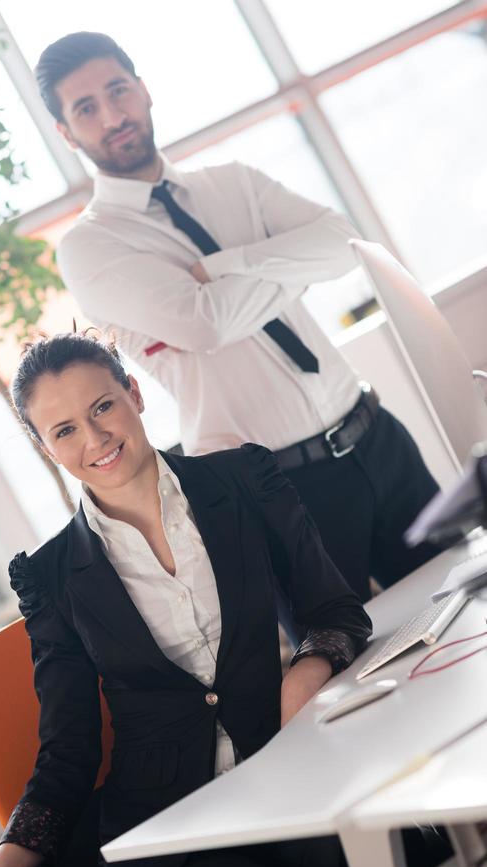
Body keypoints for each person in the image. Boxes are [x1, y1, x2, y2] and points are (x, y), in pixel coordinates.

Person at [0, 334, 463, 867]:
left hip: (289, 787)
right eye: (63, 430)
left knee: (404, 859)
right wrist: (4, 862)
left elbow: (335, 610)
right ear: (45, 448)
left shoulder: (244, 480)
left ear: (135, 394)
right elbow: (70, 745)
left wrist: (307, 670)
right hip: (167, 851)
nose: (93, 439)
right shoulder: (53, 577)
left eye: (102, 407)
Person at [32, 31, 440, 604]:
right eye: (86, 108)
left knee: (473, 608)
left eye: (118, 90)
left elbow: (342, 240)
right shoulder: (90, 247)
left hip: (377, 440)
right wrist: (288, 263)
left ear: (144, 91)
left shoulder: (234, 183)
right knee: (345, 668)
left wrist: (228, 264)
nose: (111, 114)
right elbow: (206, 325)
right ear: (66, 132)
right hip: (277, 492)